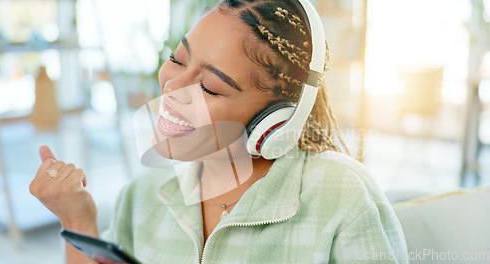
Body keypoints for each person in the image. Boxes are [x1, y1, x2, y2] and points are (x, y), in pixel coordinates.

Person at [30, 0, 409, 263]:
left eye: (210, 87)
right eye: (178, 59)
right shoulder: (143, 196)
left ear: (274, 122)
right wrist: (77, 221)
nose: (172, 88)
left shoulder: (341, 196)